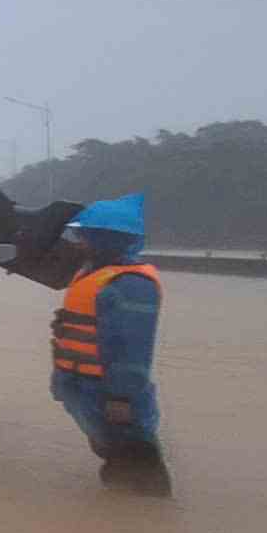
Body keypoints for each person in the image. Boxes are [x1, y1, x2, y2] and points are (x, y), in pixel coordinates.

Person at [50, 192, 174, 497]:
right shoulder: (93, 274)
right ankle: (119, 519)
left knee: (134, 460)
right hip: (83, 385)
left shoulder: (131, 285)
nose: (78, 242)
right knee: (112, 453)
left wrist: (122, 398)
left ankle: (144, 521)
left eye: (84, 236)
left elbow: (132, 349)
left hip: (110, 392)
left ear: (107, 240)